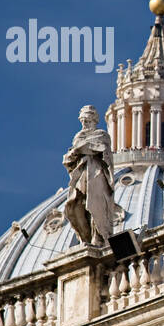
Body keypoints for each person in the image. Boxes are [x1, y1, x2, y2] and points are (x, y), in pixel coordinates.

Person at [62, 105, 115, 247]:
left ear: (95, 120)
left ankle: (98, 237)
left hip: (96, 174)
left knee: (95, 206)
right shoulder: (78, 137)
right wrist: (77, 151)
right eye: (83, 121)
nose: (85, 124)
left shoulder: (102, 135)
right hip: (81, 175)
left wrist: (80, 149)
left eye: (88, 121)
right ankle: (85, 237)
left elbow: (97, 148)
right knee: (77, 206)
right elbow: (70, 158)